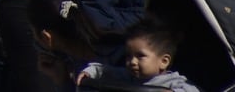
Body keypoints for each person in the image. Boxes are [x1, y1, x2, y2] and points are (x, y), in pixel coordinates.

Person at [72, 21, 201, 92]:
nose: (132, 62)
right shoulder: (128, 76)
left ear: (164, 61)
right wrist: (90, 72)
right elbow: (104, 70)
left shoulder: (174, 82)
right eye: (128, 56)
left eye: (140, 56)